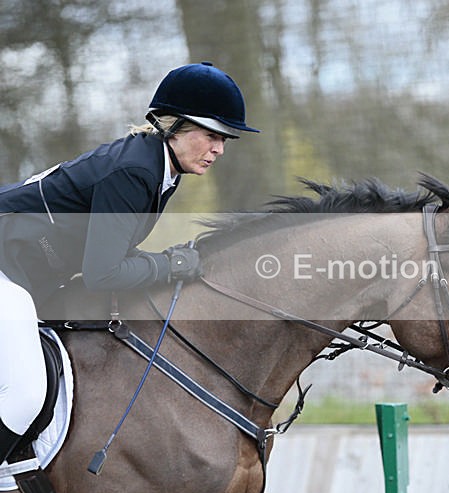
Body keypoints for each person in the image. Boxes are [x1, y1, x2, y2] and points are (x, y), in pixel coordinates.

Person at [0, 62, 259, 465]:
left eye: (224, 139)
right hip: (6, 270)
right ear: (175, 126)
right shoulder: (135, 170)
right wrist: (171, 265)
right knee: (24, 394)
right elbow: (104, 274)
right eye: (211, 135)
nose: (219, 149)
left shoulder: (159, 168)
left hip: (26, 276)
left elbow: (110, 256)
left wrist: (168, 263)